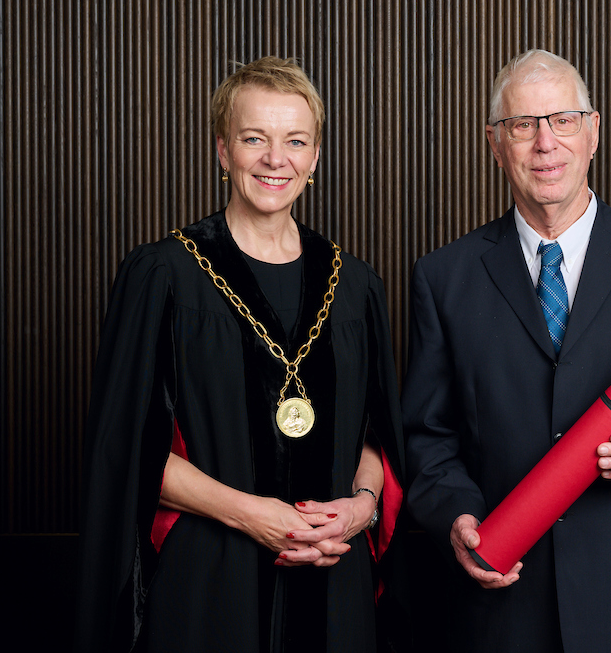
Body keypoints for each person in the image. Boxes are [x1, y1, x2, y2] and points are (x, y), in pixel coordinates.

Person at [402, 49, 611, 652]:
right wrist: (457, 517)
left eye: (562, 120)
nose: (544, 143)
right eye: (522, 125)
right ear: (494, 143)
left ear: (593, 131)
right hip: (497, 595)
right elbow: (428, 434)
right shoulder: (443, 277)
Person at [75, 58, 405, 652]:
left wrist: (361, 508)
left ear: (315, 156)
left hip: (335, 580)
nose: (275, 159)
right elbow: (128, 451)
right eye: (255, 138)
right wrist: (251, 515)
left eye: (295, 141)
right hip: (210, 582)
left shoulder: (353, 285)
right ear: (224, 150)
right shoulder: (165, 275)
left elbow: (375, 434)